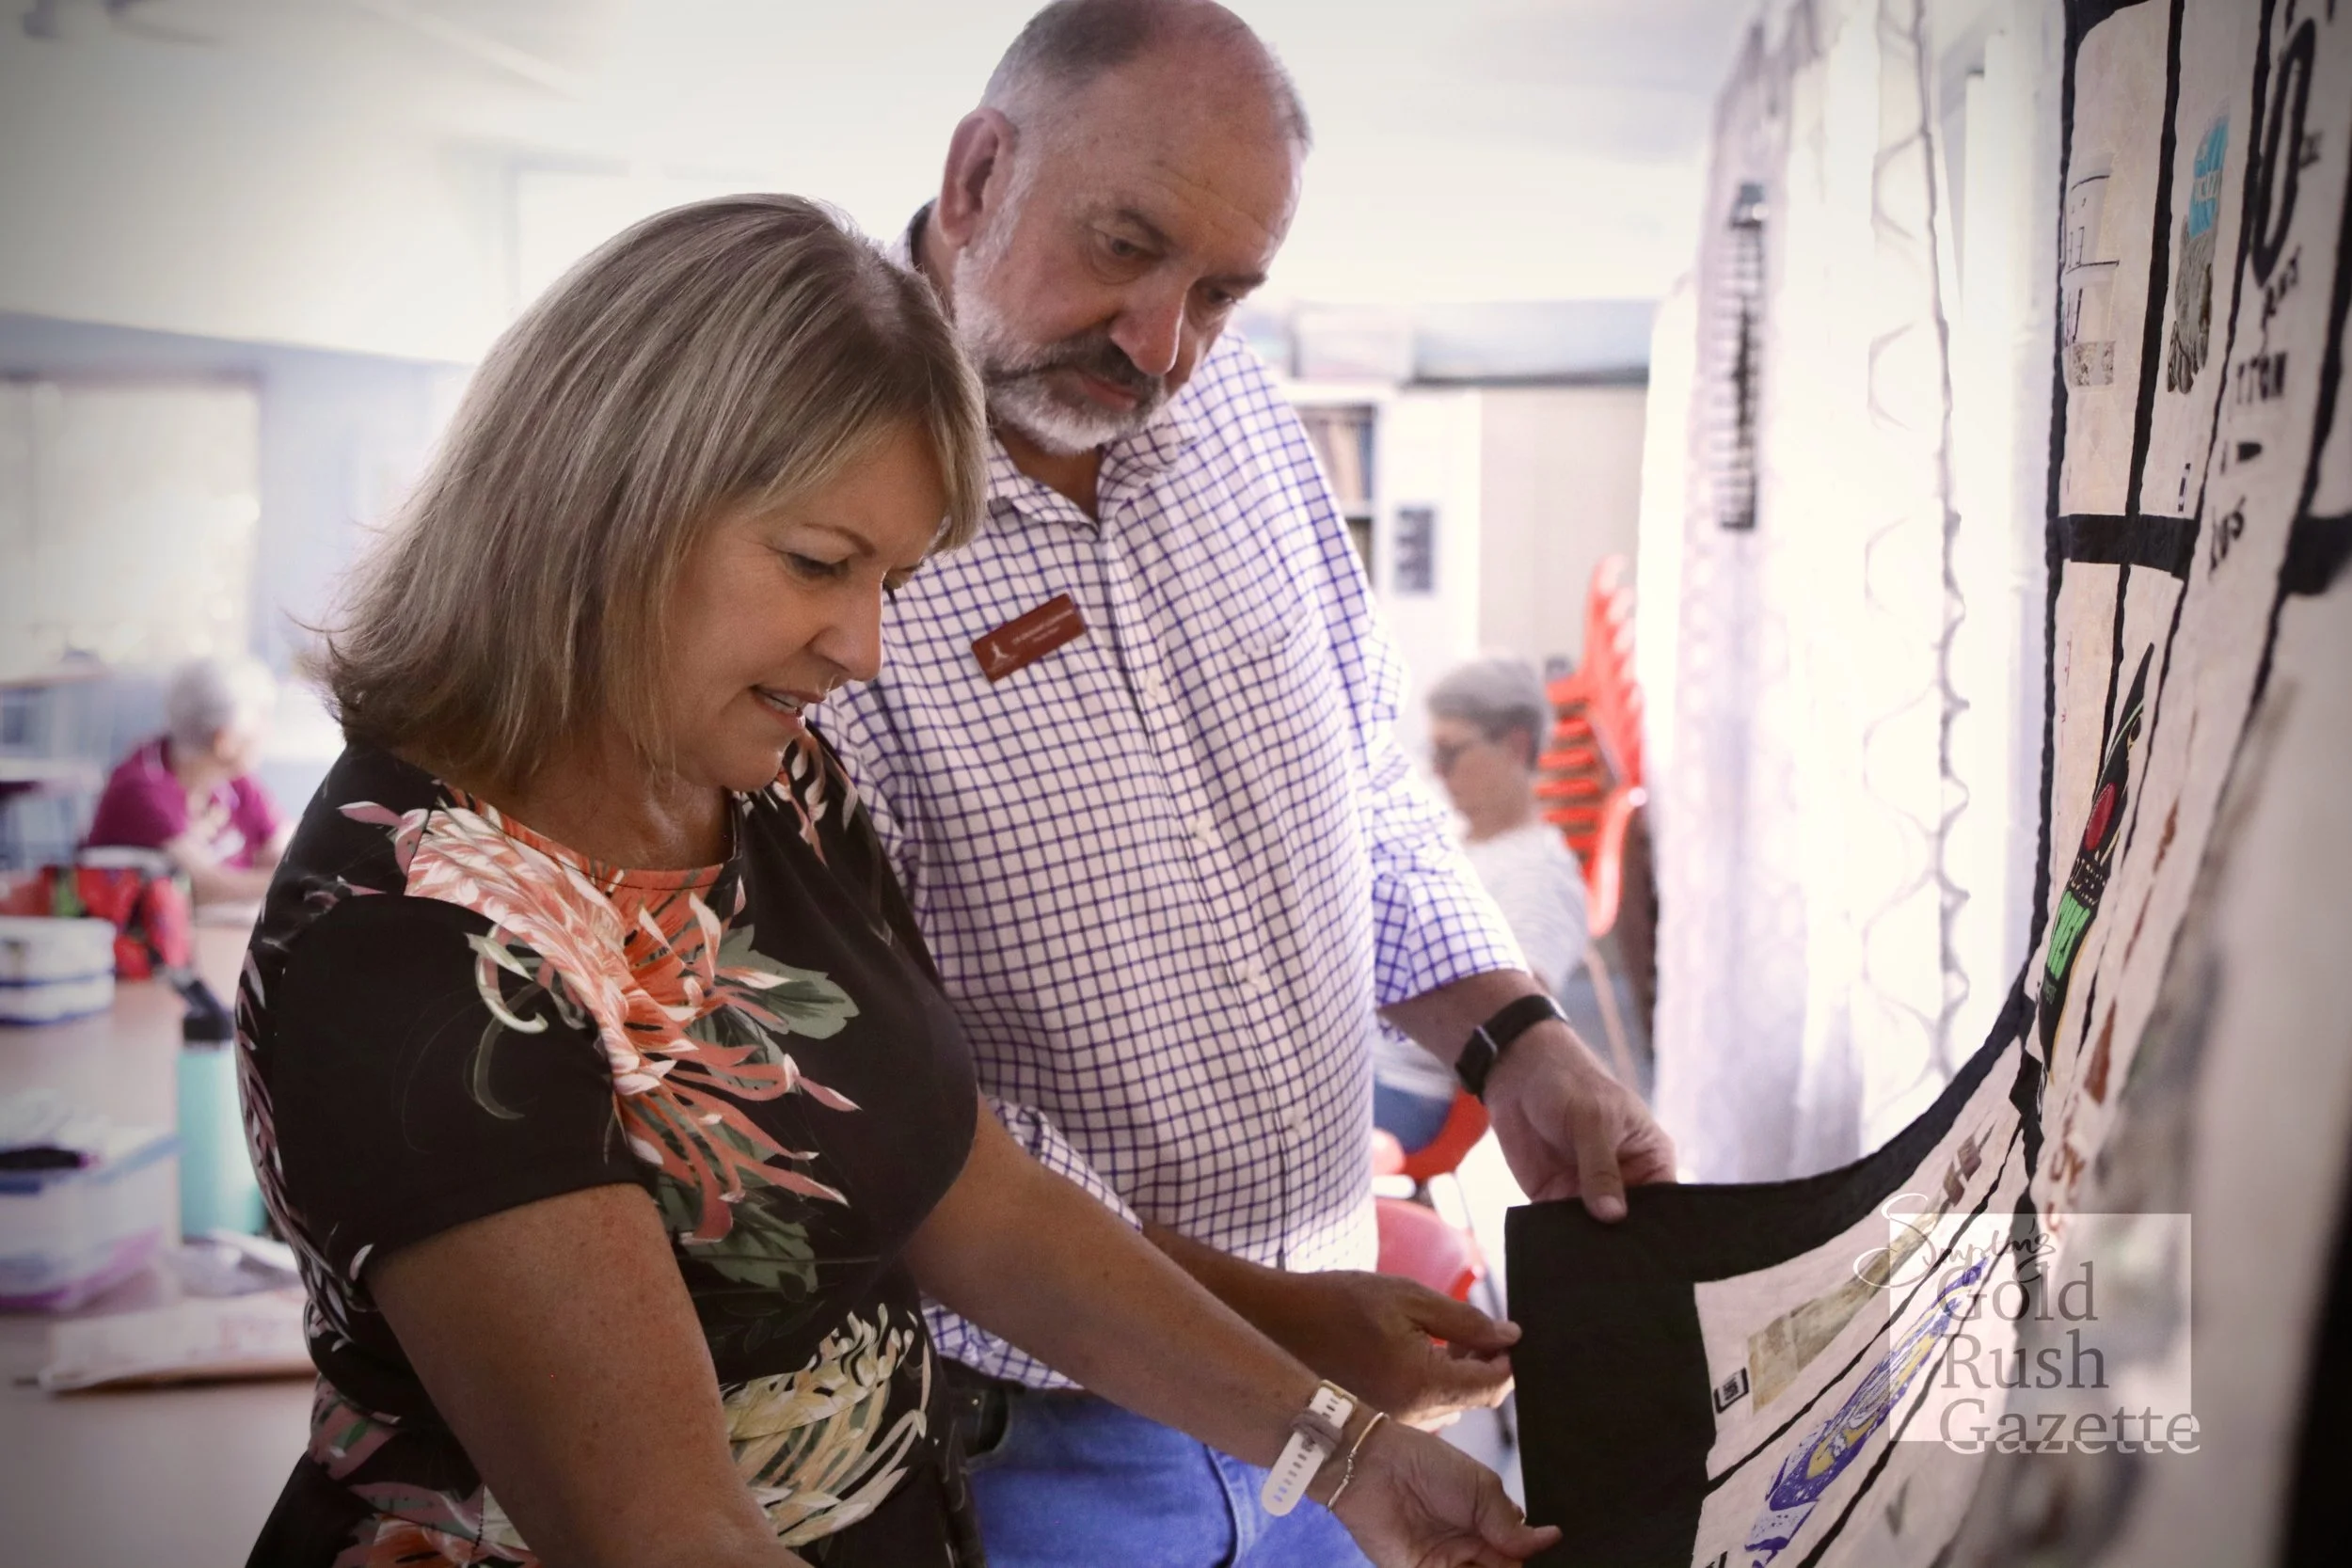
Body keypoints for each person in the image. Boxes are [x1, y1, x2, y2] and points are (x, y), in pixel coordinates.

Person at [237, 196, 1552, 1568]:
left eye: (893, 581)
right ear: (604, 506)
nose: (862, 647)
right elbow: (668, 1532)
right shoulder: (412, 943)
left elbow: (976, 1197)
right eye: (819, 564)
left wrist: (1339, 1450)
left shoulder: (769, 785)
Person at [816, 4, 1677, 1563]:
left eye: (1221, 291)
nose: (1162, 345)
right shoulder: (820, 519)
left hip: (1336, 1385)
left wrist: (1514, 1036)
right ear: (978, 175)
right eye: (1124, 246)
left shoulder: (1238, 412)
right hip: (1049, 1442)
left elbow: (1366, 787)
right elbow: (889, 1111)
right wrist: (1279, 1333)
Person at [1373, 658, 1594, 1151]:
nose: (1437, 770)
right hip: (1370, 1068)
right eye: (1434, 752)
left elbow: (1516, 1035)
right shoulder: (1452, 837)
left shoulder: (1539, 876)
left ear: (1515, 746)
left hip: (1412, 1093)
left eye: (1451, 751)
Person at [83, 655, 290, 904]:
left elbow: (281, 847)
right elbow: (208, 888)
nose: (268, 731)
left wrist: (288, 867)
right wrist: (294, 884)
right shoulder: (142, 788)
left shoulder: (233, 779)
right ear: (224, 740)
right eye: (263, 719)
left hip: (221, 923)